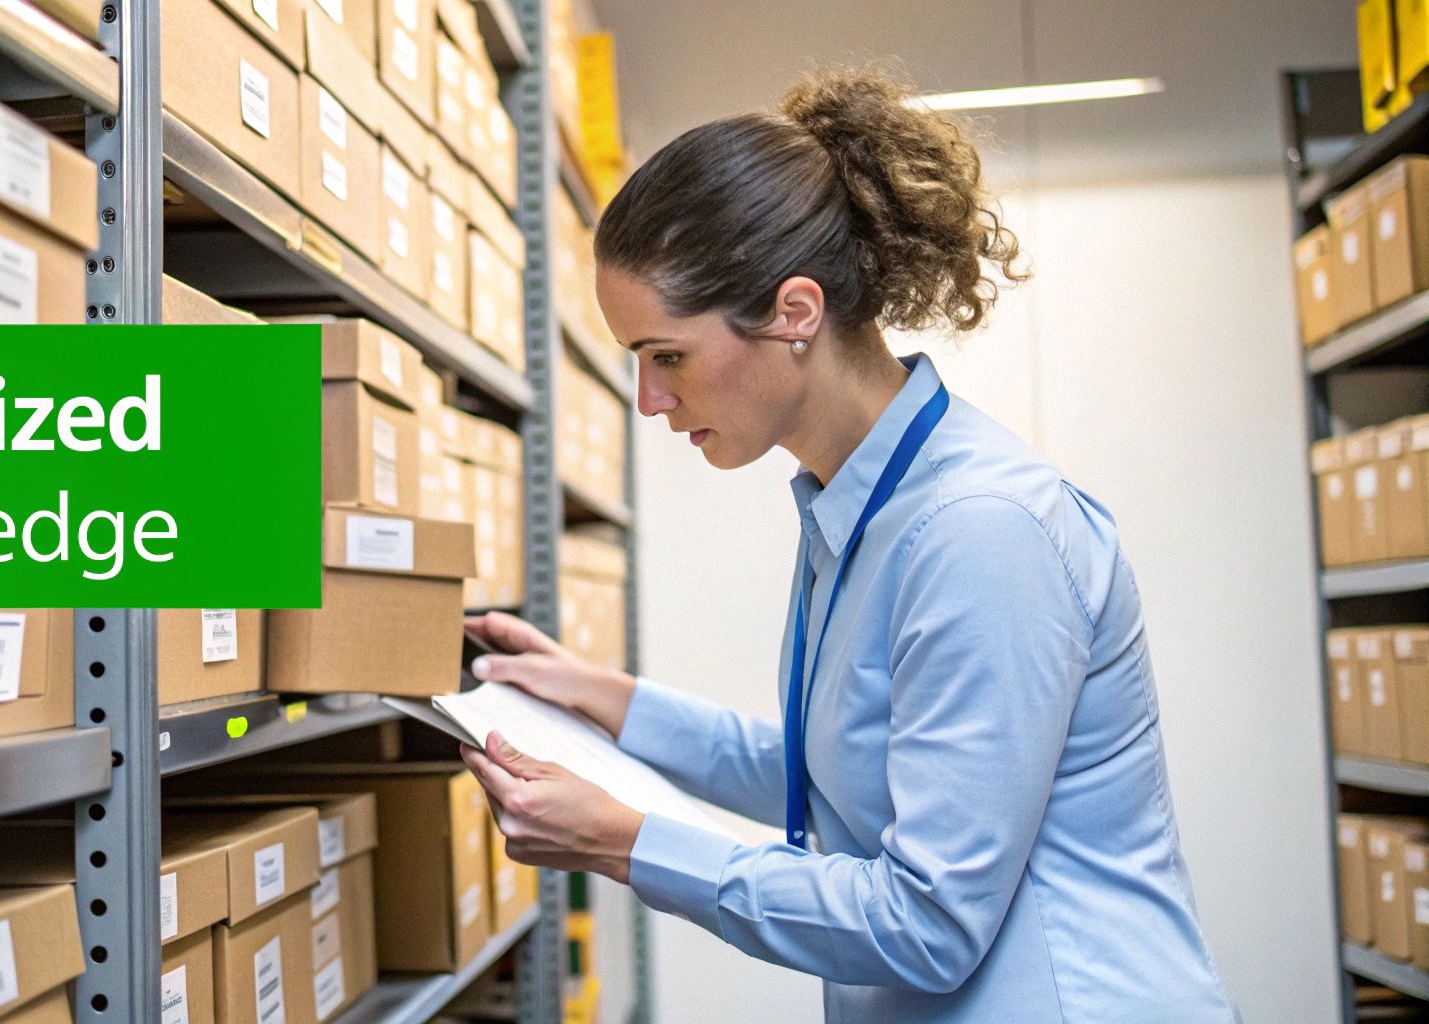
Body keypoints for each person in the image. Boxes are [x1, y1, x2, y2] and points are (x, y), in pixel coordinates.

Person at [458, 63, 1236, 1022]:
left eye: (668, 358)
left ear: (794, 313)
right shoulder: (858, 501)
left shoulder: (980, 535)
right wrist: (601, 699)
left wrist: (627, 841)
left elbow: (929, 921)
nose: (650, 401)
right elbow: (833, 764)